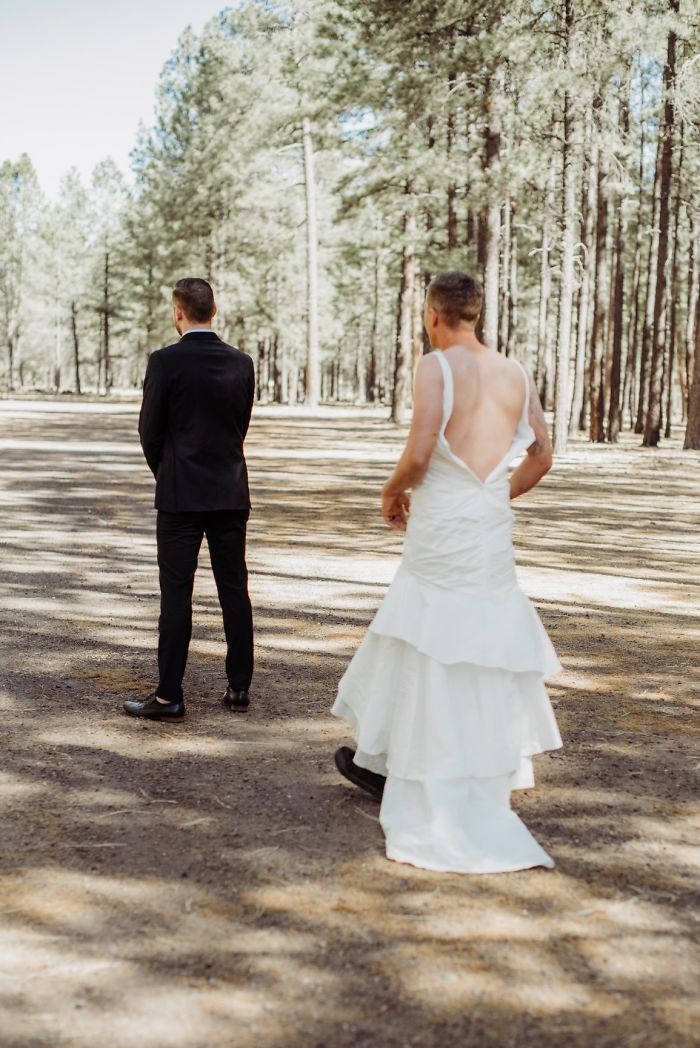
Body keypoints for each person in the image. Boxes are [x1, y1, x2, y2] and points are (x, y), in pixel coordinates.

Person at [332, 271, 562, 873]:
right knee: (481, 642)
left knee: (423, 637)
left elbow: (419, 450)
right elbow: (543, 452)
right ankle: (428, 762)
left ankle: (410, 766)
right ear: (476, 314)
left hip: (440, 526)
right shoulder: (515, 371)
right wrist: (497, 494)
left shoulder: (435, 367)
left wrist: (390, 493)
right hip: (485, 527)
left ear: (434, 315)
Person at [124, 278, 255, 723]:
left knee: (176, 595)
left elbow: (149, 432)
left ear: (178, 312)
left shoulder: (165, 362)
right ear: (213, 311)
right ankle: (239, 687)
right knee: (234, 588)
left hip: (180, 495)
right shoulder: (243, 363)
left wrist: (168, 471)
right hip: (230, 491)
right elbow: (240, 425)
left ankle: (168, 696)